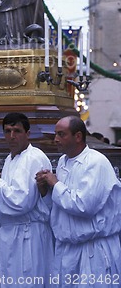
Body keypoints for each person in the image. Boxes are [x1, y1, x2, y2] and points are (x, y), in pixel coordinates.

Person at [36, 116, 121, 285]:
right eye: (55, 134)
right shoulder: (62, 162)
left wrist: (56, 184)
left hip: (92, 251)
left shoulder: (96, 163)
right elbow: (61, 206)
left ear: (78, 136)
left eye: (61, 134)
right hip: (67, 250)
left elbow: (84, 206)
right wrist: (45, 189)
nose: (56, 140)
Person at [0, 112, 53, 287]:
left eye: (17, 131)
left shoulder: (34, 157)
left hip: (28, 235)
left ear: (28, 133)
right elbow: (12, 189)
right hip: (11, 235)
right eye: (7, 131)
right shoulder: (11, 159)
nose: (11, 136)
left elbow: (21, 201)